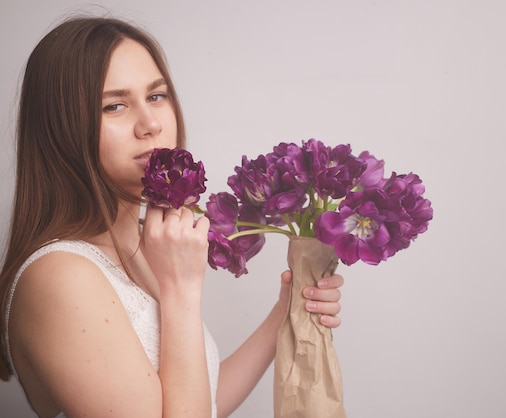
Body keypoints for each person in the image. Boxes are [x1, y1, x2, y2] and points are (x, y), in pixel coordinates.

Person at [0, 15, 343, 418]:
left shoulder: (141, 244)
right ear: (62, 130)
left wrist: (287, 310)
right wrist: (181, 289)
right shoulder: (59, 276)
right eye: (115, 105)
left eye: (157, 96)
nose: (150, 124)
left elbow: (201, 401)